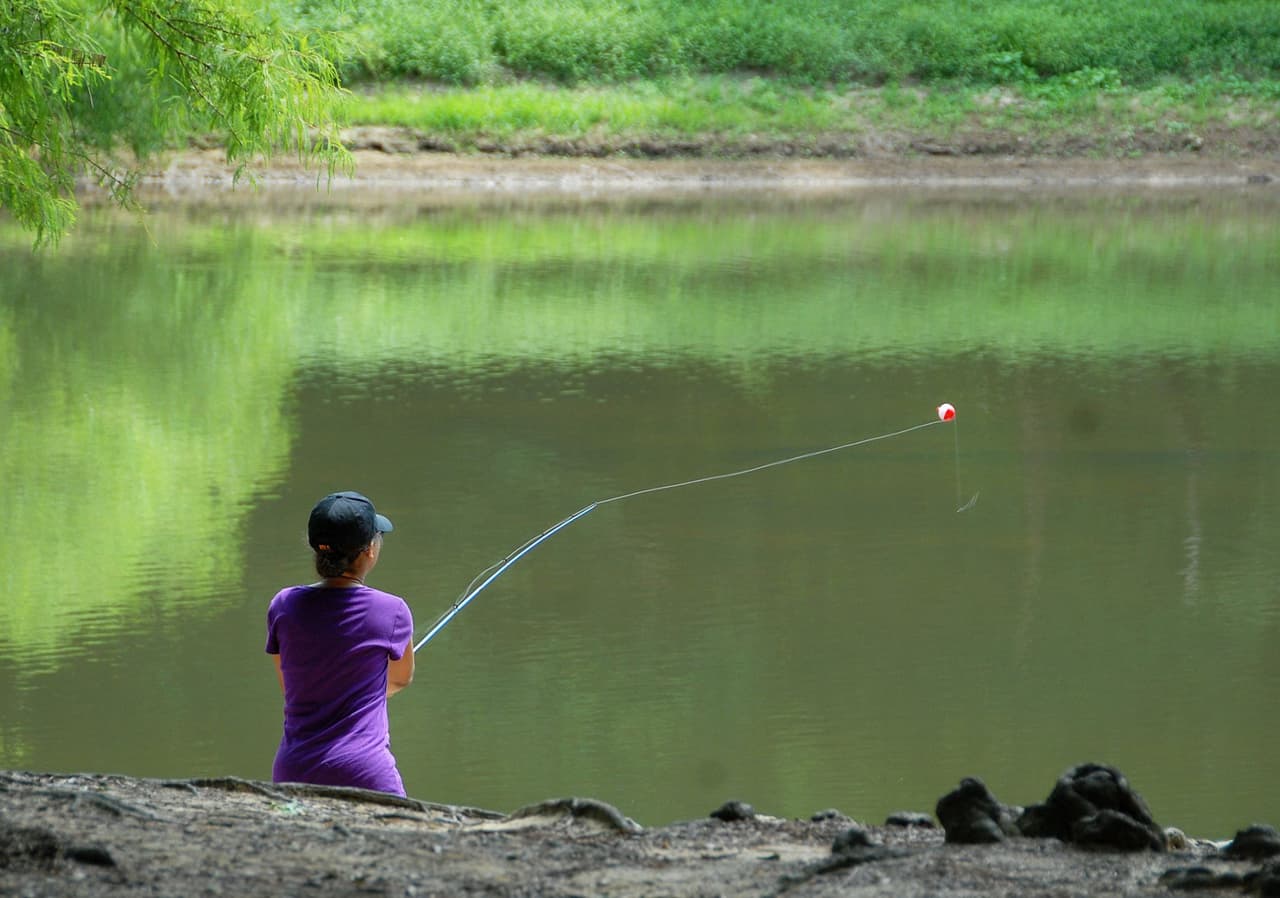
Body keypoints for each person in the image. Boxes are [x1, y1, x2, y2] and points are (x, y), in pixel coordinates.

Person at [265, 490, 415, 796]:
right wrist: (362, 690)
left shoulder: (283, 605)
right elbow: (401, 679)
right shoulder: (393, 610)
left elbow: (290, 685)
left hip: (295, 771)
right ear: (368, 551)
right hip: (366, 772)